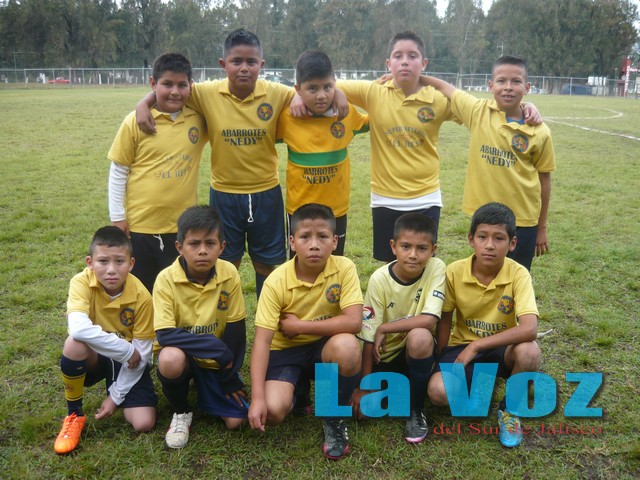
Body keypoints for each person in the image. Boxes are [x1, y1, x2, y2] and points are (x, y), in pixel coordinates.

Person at [292, 31, 541, 262]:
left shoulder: (438, 99)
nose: (405, 62)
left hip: (426, 198)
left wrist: (525, 107)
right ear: (388, 63)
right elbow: (322, 85)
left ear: (424, 63)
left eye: (412, 56)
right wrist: (299, 96)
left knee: (422, 264)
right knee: (390, 265)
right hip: (384, 199)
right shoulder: (373, 92)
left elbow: (484, 111)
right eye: (398, 56)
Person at [135, 29, 296, 300]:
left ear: (262, 64)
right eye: (236, 61)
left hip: (266, 193)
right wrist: (144, 103)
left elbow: (304, 94)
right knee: (225, 263)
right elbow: (175, 90)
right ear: (223, 64)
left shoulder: (278, 93)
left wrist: (333, 96)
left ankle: (267, 318)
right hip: (224, 194)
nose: (244, 68)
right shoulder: (206, 93)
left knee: (266, 265)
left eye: (251, 62)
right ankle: (224, 316)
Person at [248, 203, 363, 460]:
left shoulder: (344, 267)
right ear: (292, 242)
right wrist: (257, 398)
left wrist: (301, 326)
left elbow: (354, 322)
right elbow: (262, 342)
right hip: (285, 352)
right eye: (305, 237)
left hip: (324, 348)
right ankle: (298, 390)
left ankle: (332, 416)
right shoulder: (276, 281)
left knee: (347, 346)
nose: (314, 245)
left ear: (334, 241)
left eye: (322, 237)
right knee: (273, 411)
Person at [421, 55, 556, 270]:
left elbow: (545, 181)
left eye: (516, 81)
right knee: (484, 273)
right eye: (501, 81)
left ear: (527, 87)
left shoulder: (540, 132)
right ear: (490, 85)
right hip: (485, 218)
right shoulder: (478, 111)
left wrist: (542, 227)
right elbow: (445, 87)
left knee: (516, 278)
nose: (508, 87)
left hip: (523, 221)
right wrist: (409, 77)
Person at [427, 202, 541, 448]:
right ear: (471, 239)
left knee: (530, 351)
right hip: (462, 347)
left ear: (512, 243)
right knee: (438, 393)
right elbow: (445, 319)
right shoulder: (455, 272)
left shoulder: (518, 273)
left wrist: (478, 345)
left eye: (499, 238)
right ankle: (482, 381)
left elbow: (530, 328)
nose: (489, 245)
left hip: (502, 348)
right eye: (482, 237)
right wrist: (440, 358)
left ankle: (510, 412)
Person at [108, 52, 208, 292]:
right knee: (142, 291)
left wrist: (145, 100)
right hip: (141, 227)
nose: (175, 91)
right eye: (167, 84)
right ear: (153, 84)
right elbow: (119, 170)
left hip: (181, 227)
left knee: (178, 290)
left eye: (182, 85)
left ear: (191, 86)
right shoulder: (135, 121)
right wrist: (118, 217)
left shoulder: (198, 119)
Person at [54, 226, 157, 455]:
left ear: (131, 264)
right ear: (90, 263)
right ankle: (74, 414)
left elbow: (142, 355)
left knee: (144, 423)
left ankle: (117, 388)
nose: (111, 270)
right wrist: (125, 350)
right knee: (73, 343)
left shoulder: (142, 296)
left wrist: (114, 398)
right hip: (99, 356)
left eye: (119, 261)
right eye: (103, 261)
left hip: (130, 363)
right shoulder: (80, 282)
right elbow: (78, 328)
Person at [153, 205, 247, 449]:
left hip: (311, 356)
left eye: (210, 243)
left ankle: (319, 410)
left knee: (244, 419)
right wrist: (216, 349)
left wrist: (229, 375)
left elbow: (237, 330)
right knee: (170, 358)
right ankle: (181, 411)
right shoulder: (166, 279)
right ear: (179, 247)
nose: (203, 251)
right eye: (194, 244)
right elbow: (164, 333)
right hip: (187, 355)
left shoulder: (338, 271)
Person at [351, 213, 445, 444]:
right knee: (365, 411)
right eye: (406, 246)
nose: (413, 255)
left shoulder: (436, 268)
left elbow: (429, 320)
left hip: (416, 351)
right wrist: (365, 386)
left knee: (420, 337)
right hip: (384, 357)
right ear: (393, 247)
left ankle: (416, 409)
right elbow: (369, 338)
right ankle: (402, 389)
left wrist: (386, 327)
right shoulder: (379, 279)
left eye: (422, 248)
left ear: (433, 250)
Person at [277, 49, 369, 256]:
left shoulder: (345, 114)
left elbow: (375, 118)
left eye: (327, 87)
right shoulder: (287, 117)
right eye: (312, 88)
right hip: (299, 211)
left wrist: (342, 93)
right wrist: (293, 97)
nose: (321, 95)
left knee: (334, 263)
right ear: (298, 89)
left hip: (336, 210)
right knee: (299, 264)